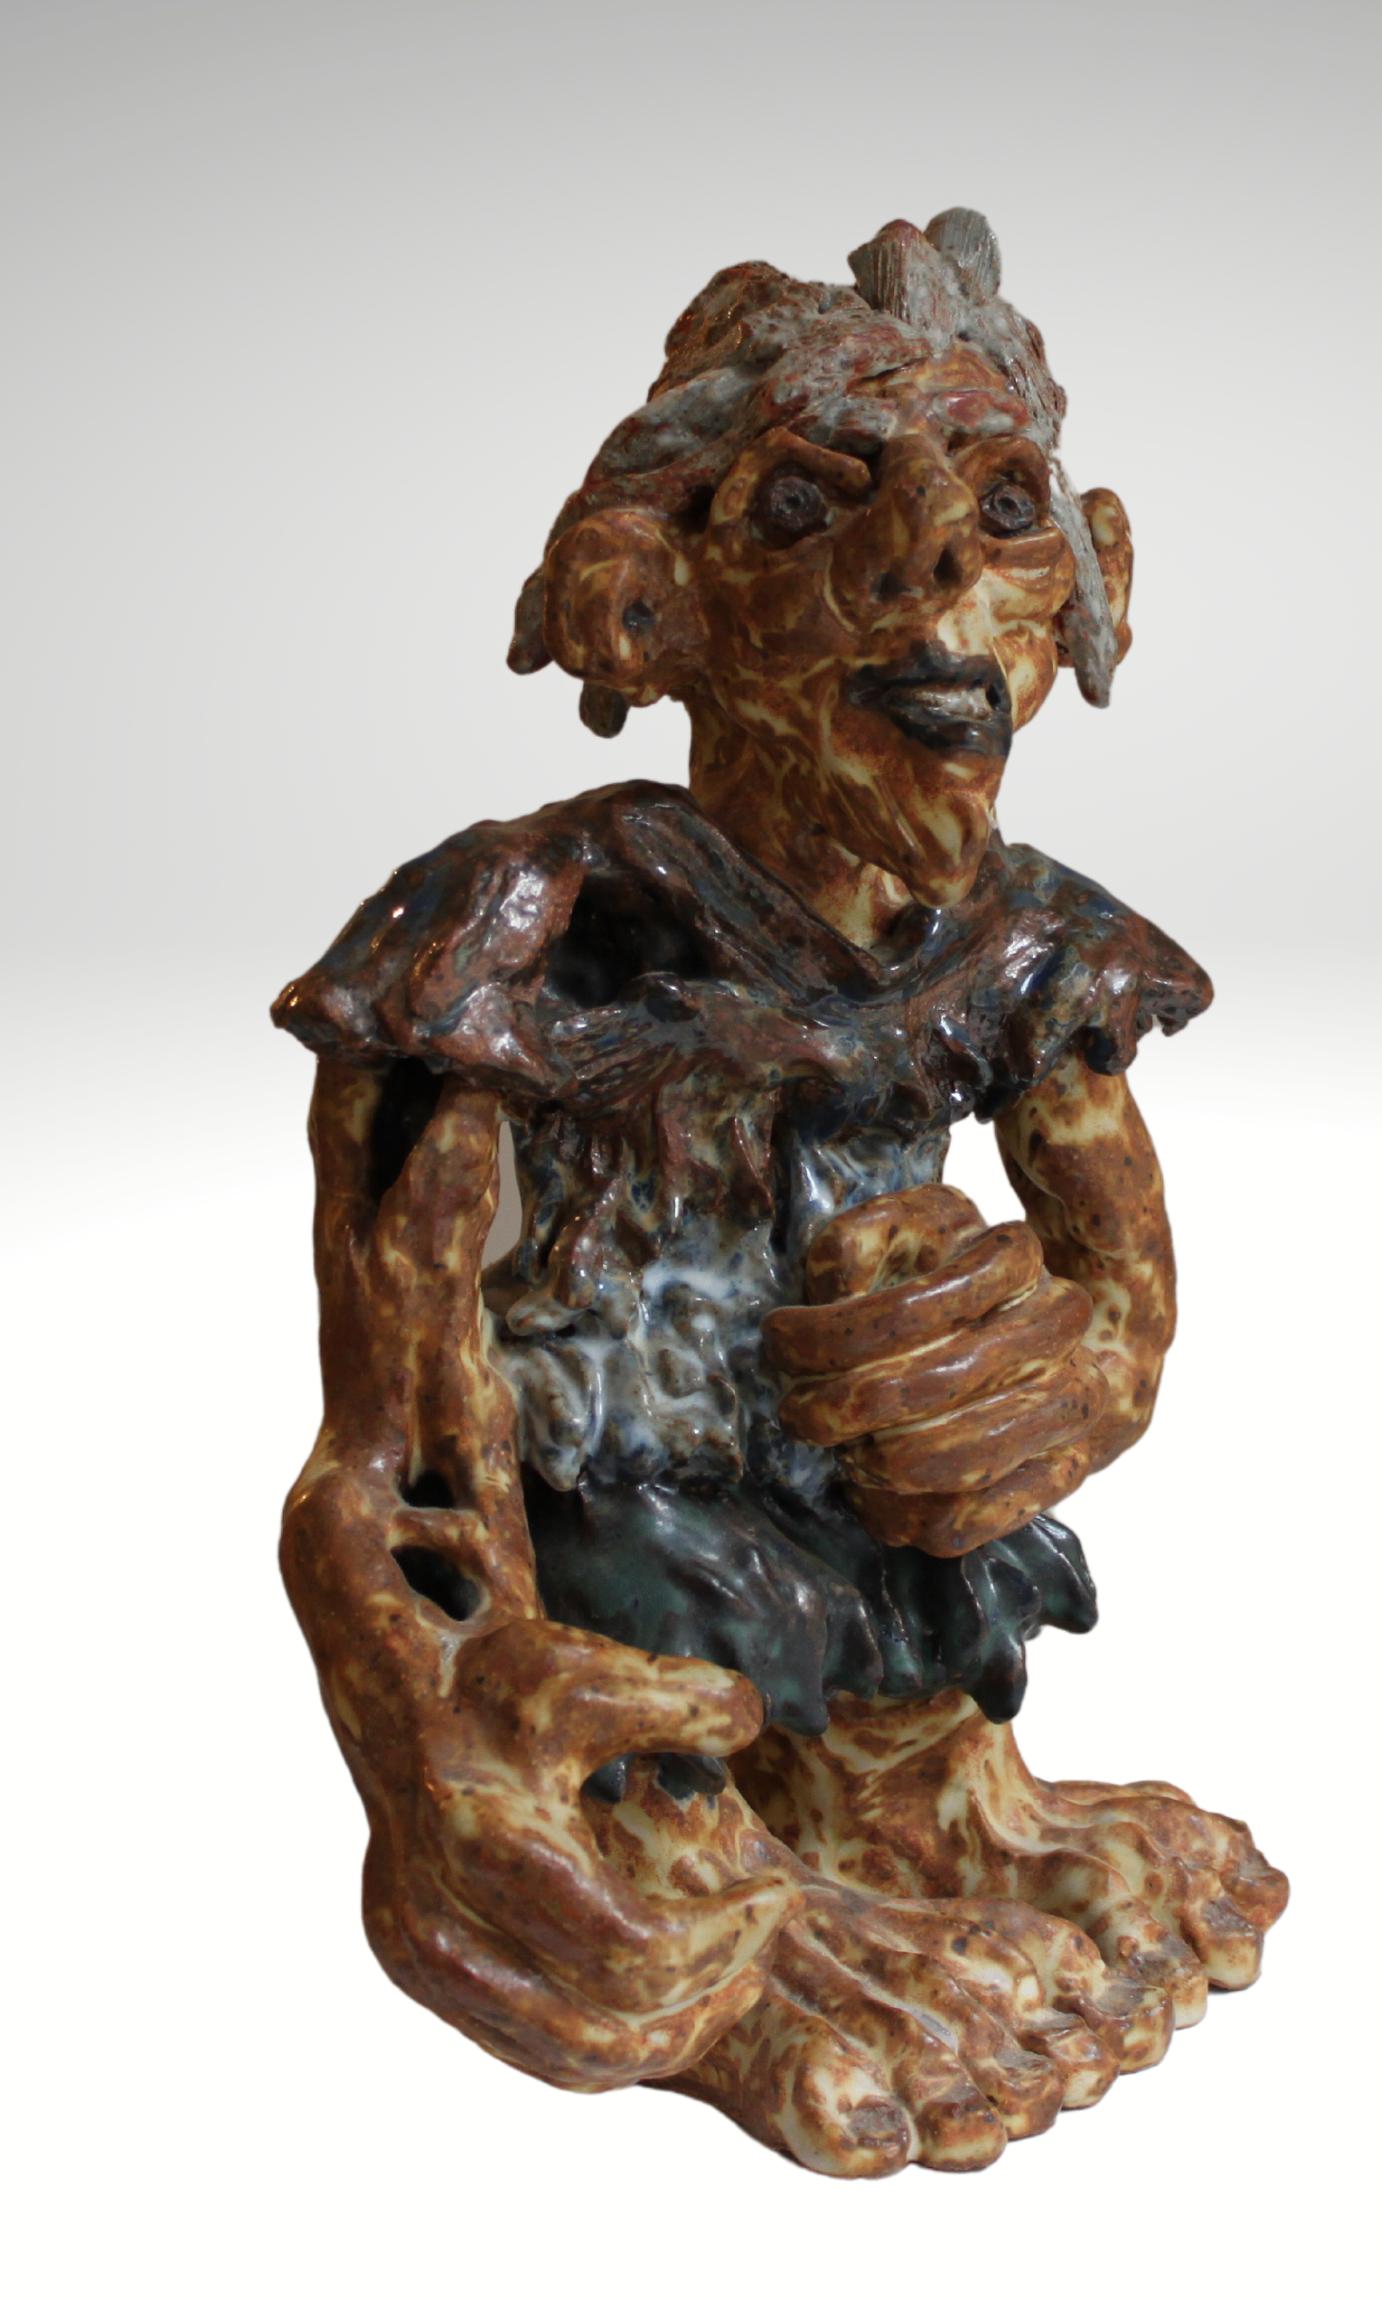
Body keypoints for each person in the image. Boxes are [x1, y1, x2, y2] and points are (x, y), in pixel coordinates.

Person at [273, 209, 1286, 2178]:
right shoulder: (523, 940)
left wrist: (1057, 1375)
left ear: (1092, 590)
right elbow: (395, 1440)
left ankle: (928, 1799)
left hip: (860, 1519)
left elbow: (1122, 1290)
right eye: (815, 505)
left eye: (1004, 512)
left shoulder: (1017, 953)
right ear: (652, 597)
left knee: (922, 1567)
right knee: (643, 1633)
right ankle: (718, 1897)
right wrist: (462, 1700)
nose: (930, 566)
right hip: (616, 1577)